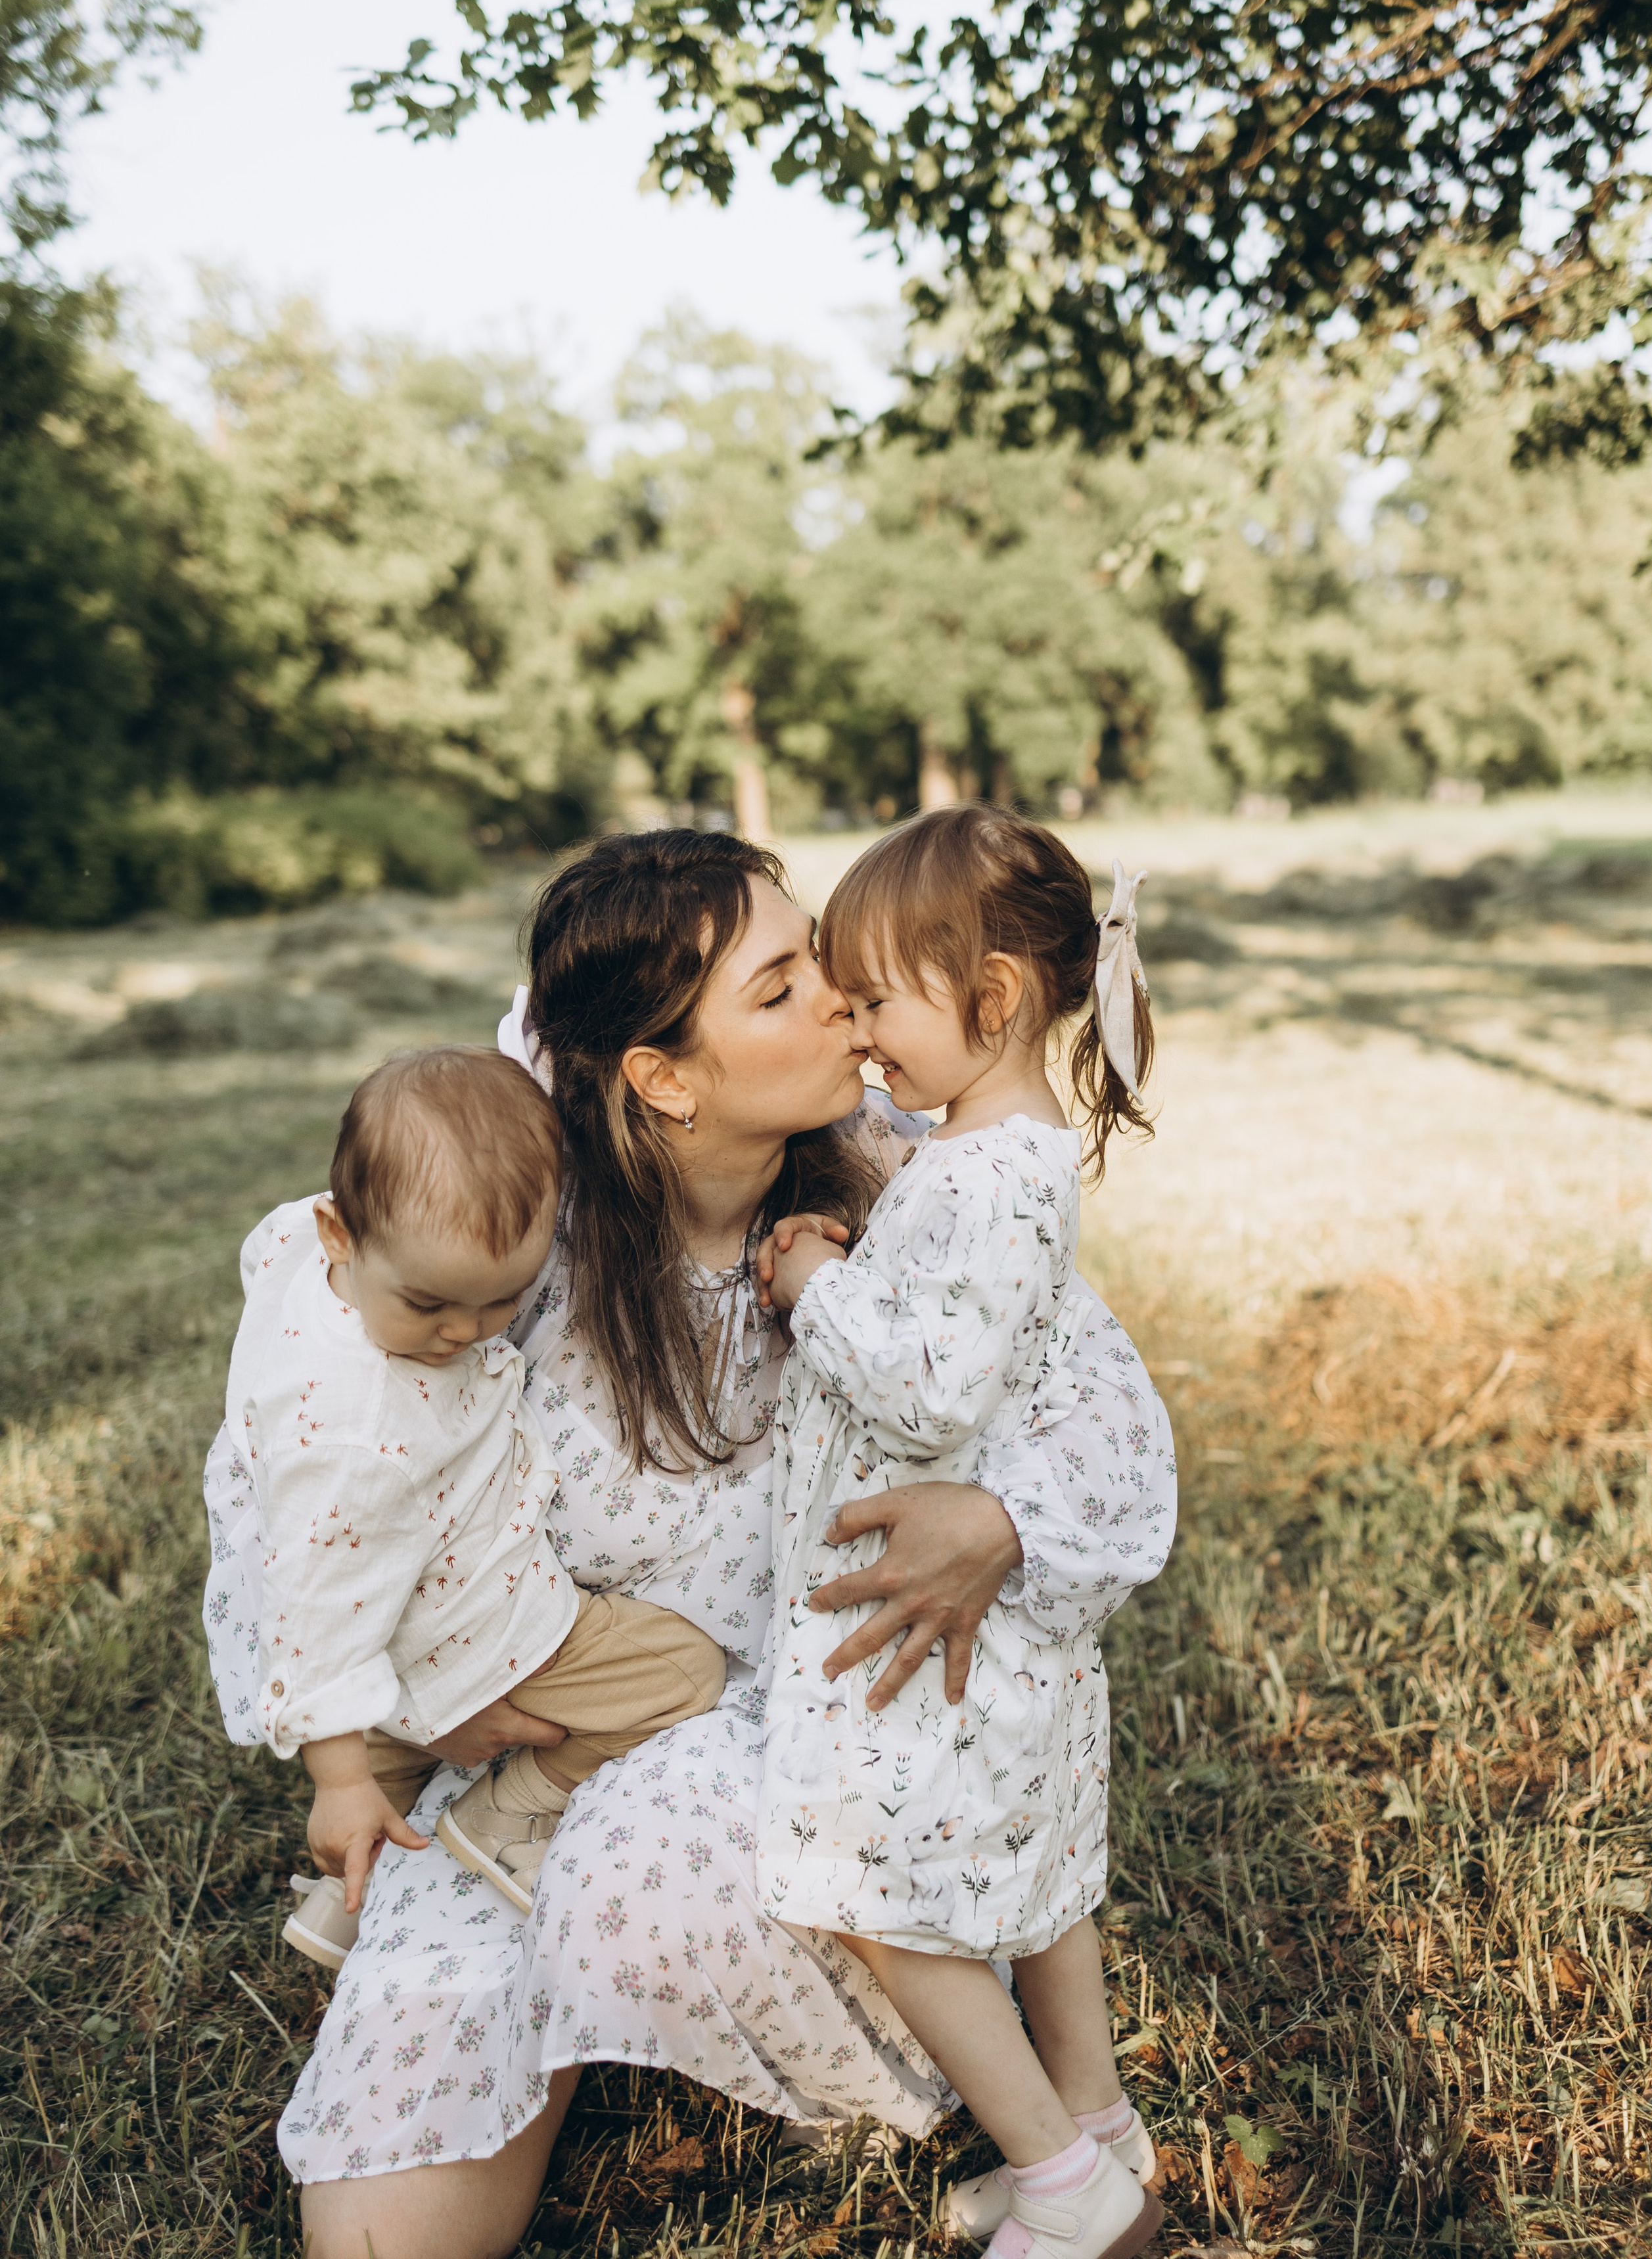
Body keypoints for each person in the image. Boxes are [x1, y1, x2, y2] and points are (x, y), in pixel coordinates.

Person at [235, 830, 1175, 2259]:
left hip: (797, 1744)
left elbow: (1115, 1437)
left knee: (652, 1885)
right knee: (376, 2239)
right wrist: (398, 1719)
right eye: (785, 983)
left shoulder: (906, 1181)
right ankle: (507, 1960)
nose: (842, 1007)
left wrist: (999, 1521)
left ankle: (1016, 2121)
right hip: (535, 1758)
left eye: (830, 967)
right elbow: (316, 1458)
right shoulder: (516, 1221)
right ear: (661, 1078)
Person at [757, 809, 1162, 2259]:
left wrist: (814, 1283)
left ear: (987, 1002)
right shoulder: (978, 1147)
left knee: (880, 1890)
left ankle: (1065, 2186)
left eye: (874, 1001)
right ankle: (1100, 2127)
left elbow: (931, 1392)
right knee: (1034, 1883)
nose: (856, 1035)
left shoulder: (994, 1177)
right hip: (977, 1625)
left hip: (943, 1638)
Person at [204, 1045, 725, 1973]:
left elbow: (266, 1248)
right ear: (339, 1233)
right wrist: (334, 1780)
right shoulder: (352, 1438)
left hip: (406, 1615)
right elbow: (316, 1608)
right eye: (430, 1304)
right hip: (477, 1623)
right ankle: (507, 1814)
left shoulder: (299, 1249)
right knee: (687, 1671)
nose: (463, 1333)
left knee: (387, 1745)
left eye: (501, 1303)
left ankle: (343, 1901)